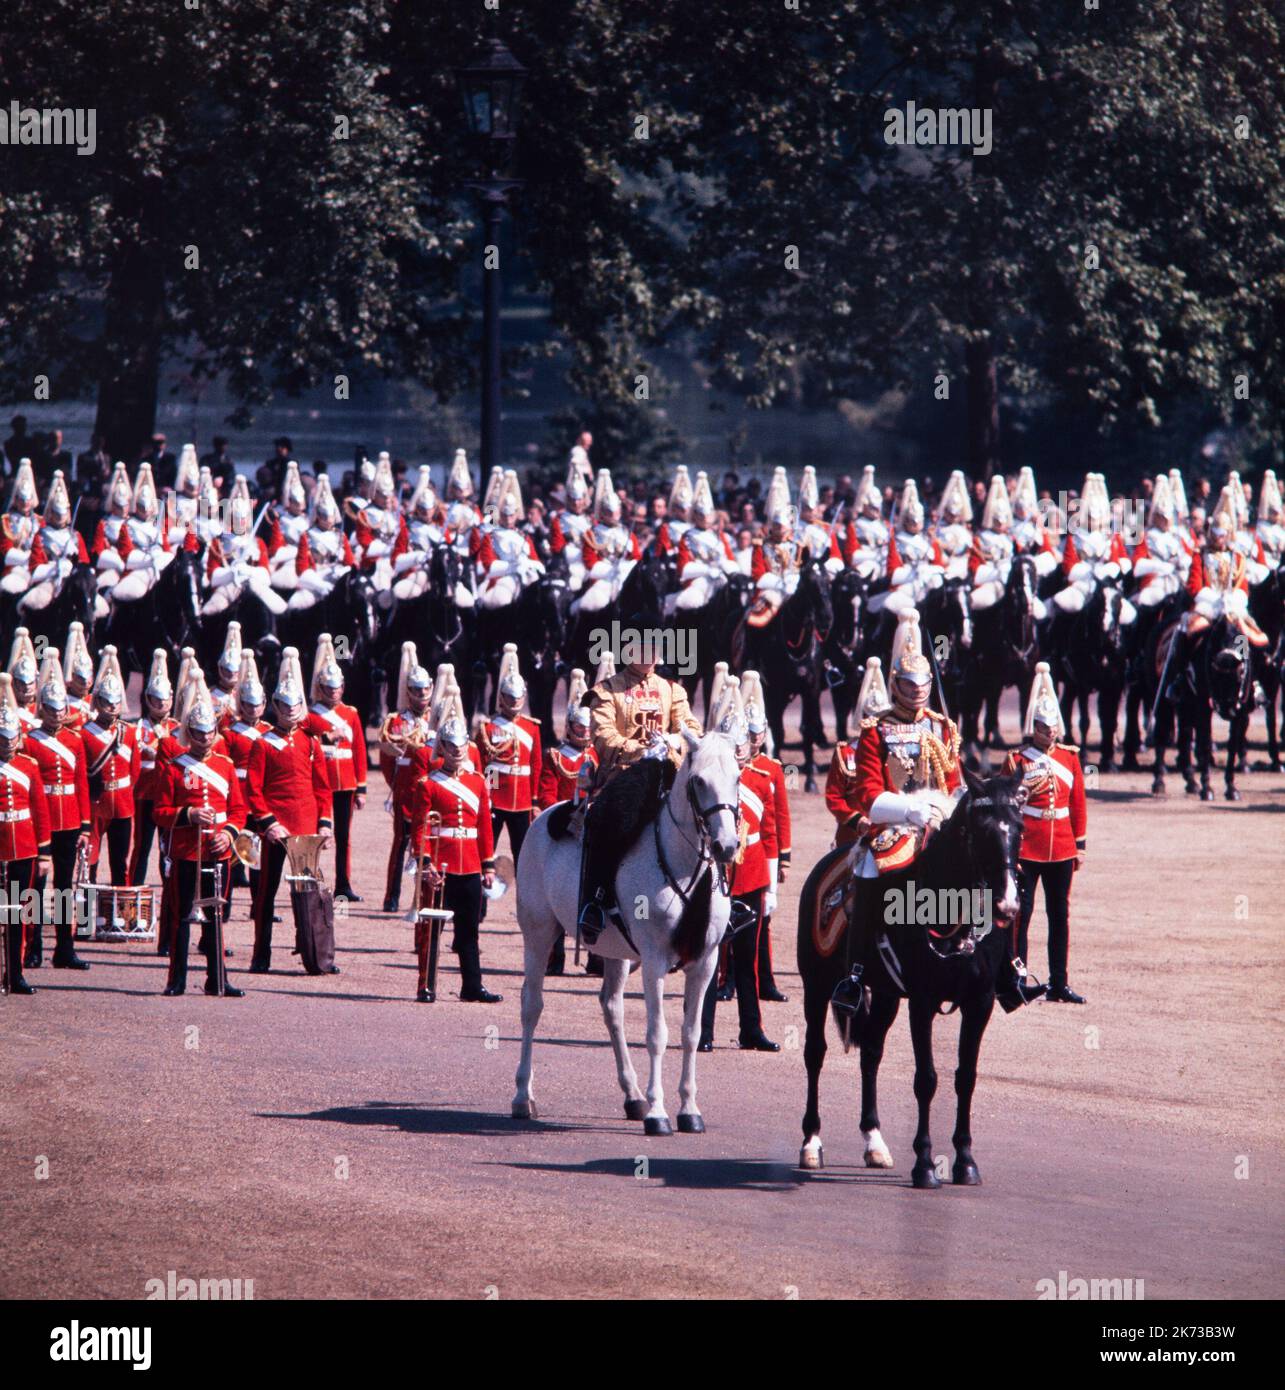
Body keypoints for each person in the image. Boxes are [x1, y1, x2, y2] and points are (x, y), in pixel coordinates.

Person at [577, 630, 703, 943]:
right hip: (625, 775)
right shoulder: (607, 691)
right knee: (616, 822)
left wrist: (675, 740)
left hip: (668, 773)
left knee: (708, 816)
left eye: (653, 650)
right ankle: (596, 900)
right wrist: (640, 750)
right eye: (640, 649)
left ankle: (714, 902)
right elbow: (604, 738)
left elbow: (692, 728)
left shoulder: (671, 690)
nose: (647, 657)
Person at [698, 684, 779, 1053]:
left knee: (748, 960)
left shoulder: (764, 779)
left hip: (752, 877)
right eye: (735, 743)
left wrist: (773, 887)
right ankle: (704, 1031)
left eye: (745, 742)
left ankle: (751, 1029)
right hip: (716, 877)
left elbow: (772, 833)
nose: (741, 749)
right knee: (710, 959)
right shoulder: (713, 780)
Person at [156, 680, 246, 998]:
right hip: (186, 851)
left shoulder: (225, 766)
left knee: (215, 917)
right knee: (181, 918)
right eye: (199, 733)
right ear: (189, 733)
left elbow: (238, 810)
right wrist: (188, 815)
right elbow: (160, 812)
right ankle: (176, 979)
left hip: (216, 851)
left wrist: (229, 834)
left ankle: (217, 979)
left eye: (210, 733)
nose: (205, 739)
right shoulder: (174, 768)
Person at [244, 650, 333, 973]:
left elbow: (322, 787)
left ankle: (312, 952)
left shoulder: (310, 741)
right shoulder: (263, 743)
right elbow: (253, 789)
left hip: (306, 827)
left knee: (306, 893)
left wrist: (324, 823)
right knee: (265, 894)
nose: (292, 712)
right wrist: (268, 823)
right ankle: (260, 953)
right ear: (276, 708)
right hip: (276, 828)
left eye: (297, 706)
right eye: (286, 707)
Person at [1004, 664, 1087, 1005]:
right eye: (1043, 727)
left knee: (1060, 916)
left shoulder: (1070, 758)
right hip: (1028, 847)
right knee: (1021, 916)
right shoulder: (1018, 760)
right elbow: (1008, 808)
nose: (1049, 733)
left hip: (1062, 848)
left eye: (1053, 727)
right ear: (1033, 727)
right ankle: (1018, 979)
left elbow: (1078, 803)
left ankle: (1059, 982)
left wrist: (1079, 845)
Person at [409, 714, 501, 1003]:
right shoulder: (428, 784)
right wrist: (425, 864)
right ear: (442, 748)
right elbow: (421, 825)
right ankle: (426, 985)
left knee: (469, 931)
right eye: (451, 746)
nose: (458, 751)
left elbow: (484, 824)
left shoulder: (477, 781)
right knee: (432, 930)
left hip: (470, 863)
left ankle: (471, 985)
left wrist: (487, 864)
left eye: (462, 745)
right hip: (441, 864)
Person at [24, 654, 91, 972]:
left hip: (69, 820)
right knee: (36, 885)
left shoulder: (74, 740)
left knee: (65, 886)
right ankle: (32, 945)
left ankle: (64, 947)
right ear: (42, 709)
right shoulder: (30, 742)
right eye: (52, 710)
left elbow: (82, 784)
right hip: (42, 820)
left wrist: (86, 825)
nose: (57, 715)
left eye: (61, 710)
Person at [305, 634, 367, 901]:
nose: (333, 692)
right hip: (319, 781)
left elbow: (360, 751)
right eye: (328, 688)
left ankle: (343, 883)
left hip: (346, 782)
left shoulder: (351, 714)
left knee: (344, 837)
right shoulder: (311, 715)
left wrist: (362, 786)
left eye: (337, 688)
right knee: (315, 834)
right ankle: (310, 879)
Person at [743, 670, 789, 1003]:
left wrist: (782, 857)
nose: (754, 739)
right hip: (736, 853)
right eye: (749, 733)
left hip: (762, 853)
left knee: (763, 920)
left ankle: (766, 980)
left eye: (758, 734)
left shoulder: (771, 768)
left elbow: (779, 817)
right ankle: (727, 979)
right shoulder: (732, 765)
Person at [0, 700, 51, 996]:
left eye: (10, 739)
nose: (7, 745)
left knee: (17, 912)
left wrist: (44, 853)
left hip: (24, 846)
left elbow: (40, 811)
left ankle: (15, 973)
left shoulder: (28, 767)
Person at [379, 642, 434, 913]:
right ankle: (392, 895)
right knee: (400, 843)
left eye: (425, 689)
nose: (421, 695)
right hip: (405, 792)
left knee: (430, 846)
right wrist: (397, 786)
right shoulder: (395, 721)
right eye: (416, 690)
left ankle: (429, 896)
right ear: (408, 691)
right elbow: (388, 759)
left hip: (432, 791)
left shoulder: (439, 719)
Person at [79, 647, 139, 886]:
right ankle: (86, 916)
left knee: (119, 863)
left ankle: (119, 918)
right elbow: (82, 775)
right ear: (98, 701)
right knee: (89, 862)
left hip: (122, 805)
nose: (112, 707)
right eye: (107, 702)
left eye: (116, 702)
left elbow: (133, 771)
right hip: (96, 805)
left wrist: (124, 791)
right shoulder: (85, 734)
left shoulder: (129, 731)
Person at [476, 644, 541, 866]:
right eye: (510, 697)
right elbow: (482, 764)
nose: (515, 702)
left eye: (518, 697)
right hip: (496, 798)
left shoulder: (532, 728)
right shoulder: (488, 727)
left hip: (522, 800)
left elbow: (535, 765)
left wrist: (534, 800)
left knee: (523, 858)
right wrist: (488, 794)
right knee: (485, 853)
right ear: (502, 697)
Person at [128, 650, 178, 887]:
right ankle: (134, 887)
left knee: (168, 846)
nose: (162, 704)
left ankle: (170, 889)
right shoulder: (139, 727)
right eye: (157, 699)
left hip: (169, 795)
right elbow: (140, 751)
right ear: (148, 700)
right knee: (143, 845)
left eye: (166, 699)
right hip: (145, 794)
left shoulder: (178, 727)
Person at [574, 468, 640, 615]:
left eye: (616, 512)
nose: (613, 516)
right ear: (602, 513)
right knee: (591, 605)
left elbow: (636, 558)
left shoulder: (628, 534)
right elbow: (589, 563)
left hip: (624, 579)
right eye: (609, 512)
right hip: (601, 581)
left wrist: (625, 569)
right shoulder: (592, 534)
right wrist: (611, 572)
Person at [476, 471, 545, 610]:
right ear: (498, 514)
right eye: (504, 515)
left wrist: (527, 565)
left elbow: (536, 561)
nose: (508, 518)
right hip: (500, 580)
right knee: (501, 600)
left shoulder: (524, 536)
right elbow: (488, 565)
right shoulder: (490, 536)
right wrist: (513, 567)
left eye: (511, 515)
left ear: (516, 514)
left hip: (525, 577)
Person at [673, 471, 741, 611]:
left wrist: (725, 567)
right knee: (693, 601)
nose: (704, 518)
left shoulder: (719, 536)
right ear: (695, 515)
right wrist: (707, 570)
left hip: (721, 577)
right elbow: (682, 568)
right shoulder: (687, 536)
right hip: (698, 580)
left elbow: (730, 559)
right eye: (700, 514)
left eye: (707, 514)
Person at [287, 475, 357, 611]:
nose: (328, 521)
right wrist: (319, 585)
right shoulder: (307, 536)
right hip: (315, 579)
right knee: (294, 603)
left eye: (330, 517)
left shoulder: (340, 536)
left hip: (337, 577)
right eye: (324, 517)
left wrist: (341, 559)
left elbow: (349, 562)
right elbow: (301, 568)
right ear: (318, 516)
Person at [1, 460, 41, 595]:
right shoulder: (6, 521)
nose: (25, 503)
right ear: (16, 499)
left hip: (36, 568)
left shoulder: (40, 521)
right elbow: (6, 551)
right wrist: (28, 557)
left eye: (28, 499)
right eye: (21, 499)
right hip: (14, 567)